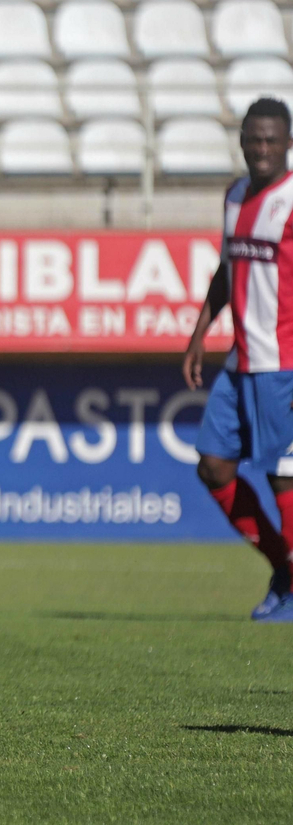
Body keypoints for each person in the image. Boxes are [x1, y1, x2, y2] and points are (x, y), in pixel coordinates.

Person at [184, 96, 293, 623]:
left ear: (288, 143)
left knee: (283, 478)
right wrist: (199, 332)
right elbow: (228, 270)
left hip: (285, 364)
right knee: (213, 465)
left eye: (271, 139)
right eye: (253, 139)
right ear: (242, 142)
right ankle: (283, 572)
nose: (262, 148)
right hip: (241, 361)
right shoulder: (234, 196)